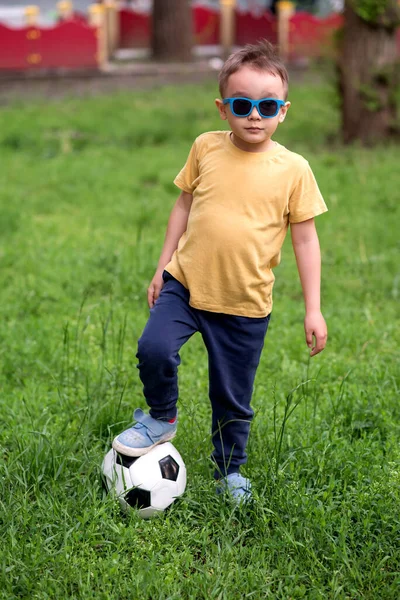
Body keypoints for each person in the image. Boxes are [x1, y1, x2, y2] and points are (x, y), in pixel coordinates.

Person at [112, 40, 328, 502]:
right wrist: (162, 266)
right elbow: (183, 205)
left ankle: (229, 470)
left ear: (283, 111)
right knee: (153, 349)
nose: (255, 115)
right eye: (242, 104)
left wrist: (314, 309)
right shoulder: (205, 148)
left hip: (245, 303)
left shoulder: (293, 168)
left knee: (231, 397)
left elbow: (306, 239)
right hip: (185, 284)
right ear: (222, 108)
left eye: (267, 106)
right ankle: (161, 417)